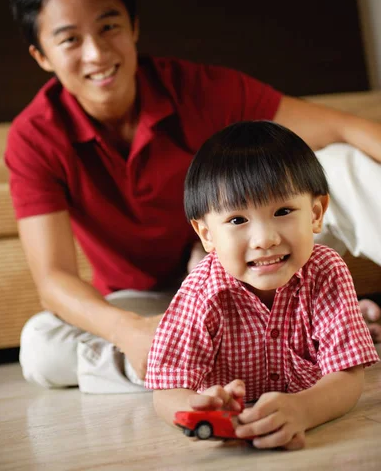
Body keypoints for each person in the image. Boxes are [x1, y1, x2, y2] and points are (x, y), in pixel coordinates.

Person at [6, 0, 381, 394]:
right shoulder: (33, 137)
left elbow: (345, 128)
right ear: (41, 56)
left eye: (109, 27)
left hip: (256, 268)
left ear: (134, 26)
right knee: (41, 347)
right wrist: (131, 332)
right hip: (150, 303)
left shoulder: (198, 89)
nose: (96, 53)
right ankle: (290, 343)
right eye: (70, 40)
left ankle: (292, 336)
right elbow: (54, 280)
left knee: (339, 163)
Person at [145, 121, 379, 450]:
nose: (265, 239)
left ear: (315, 214)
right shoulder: (201, 289)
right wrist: (199, 409)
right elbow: (167, 391)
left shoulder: (326, 270)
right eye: (237, 220)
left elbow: (349, 378)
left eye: (283, 211)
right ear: (207, 234)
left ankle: (359, 318)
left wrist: (304, 409)